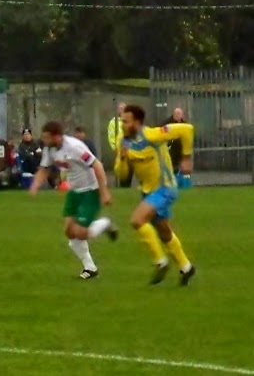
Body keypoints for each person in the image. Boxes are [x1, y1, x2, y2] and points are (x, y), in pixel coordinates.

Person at [113, 104, 196, 285]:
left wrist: (186, 157)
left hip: (165, 188)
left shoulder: (152, 134)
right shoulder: (124, 142)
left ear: (136, 122)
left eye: (126, 121)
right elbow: (122, 175)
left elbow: (187, 129)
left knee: (137, 220)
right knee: (164, 232)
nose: (123, 125)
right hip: (148, 192)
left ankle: (161, 262)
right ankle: (186, 267)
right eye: (122, 121)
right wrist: (123, 158)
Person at [30, 120, 118, 279]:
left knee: (81, 232)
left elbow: (97, 165)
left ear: (57, 136)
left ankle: (105, 223)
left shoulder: (75, 147)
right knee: (70, 232)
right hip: (74, 191)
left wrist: (104, 192)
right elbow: (44, 168)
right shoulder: (50, 149)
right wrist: (35, 186)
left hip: (90, 191)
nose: (44, 141)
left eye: (47, 137)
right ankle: (90, 268)